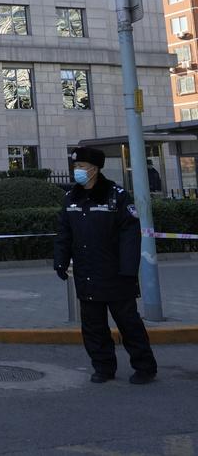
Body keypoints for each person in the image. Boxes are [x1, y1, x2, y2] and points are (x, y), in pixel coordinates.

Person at [55, 147, 158, 385]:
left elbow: (130, 234)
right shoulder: (71, 198)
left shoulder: (116, 196)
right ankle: (103, 367)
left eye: (81, 166)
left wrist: (128, 270)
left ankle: (144, 366)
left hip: (115, 274)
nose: (77, 171)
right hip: (86, 273)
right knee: (93, 326)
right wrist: (60, 261)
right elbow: (64, 233)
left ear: (94, 169)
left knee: (129, 323)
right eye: (75, 166)